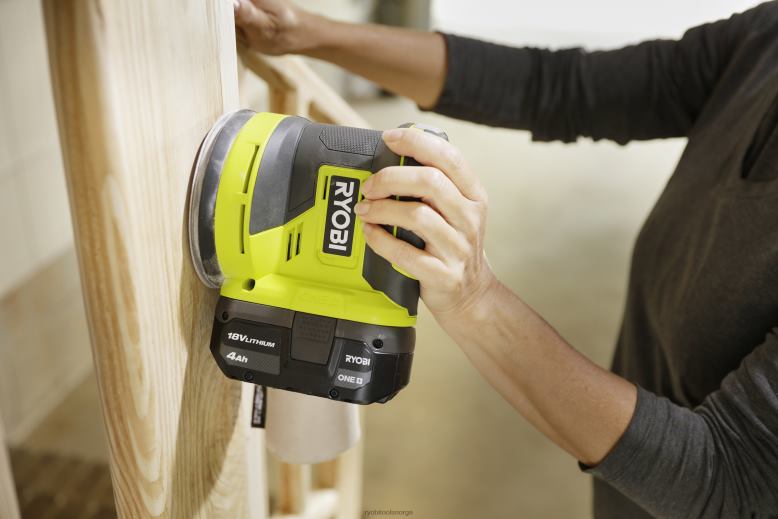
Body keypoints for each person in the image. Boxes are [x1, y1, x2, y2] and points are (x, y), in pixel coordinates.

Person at [234, 1, 778, 517]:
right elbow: (558, 87)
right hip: (627, 492)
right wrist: (309, 32)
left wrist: (476, 297)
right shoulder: (766, 38)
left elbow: (723, 476)